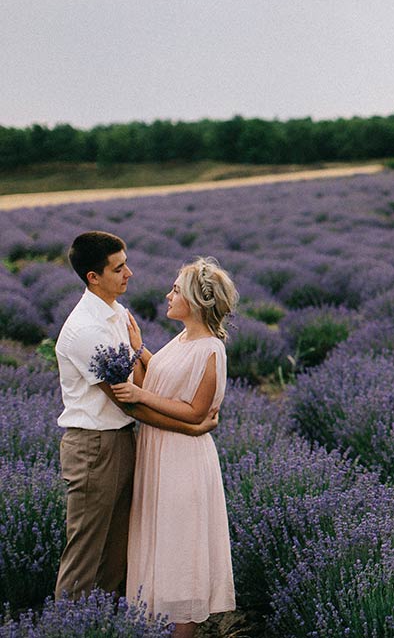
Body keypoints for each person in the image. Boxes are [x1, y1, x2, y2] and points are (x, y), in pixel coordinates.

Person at [54, 231, 218, 602]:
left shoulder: (116, 313)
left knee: (115, 555)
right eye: (118, 268)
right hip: (96, 447)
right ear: (92, 277)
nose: (129, 273)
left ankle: (103, 626)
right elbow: (128, 403)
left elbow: (140, 384)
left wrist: (141, 350)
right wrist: (193, 426)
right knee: (85, 557)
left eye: (126, 263)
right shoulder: (85, 330)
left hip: (122, 440)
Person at [110, 256, 238, 638]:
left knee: (181, 549)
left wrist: (139, 397)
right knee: (160, 542)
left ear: (197, 302)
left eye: (176, 291)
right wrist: (139, 350)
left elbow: (197, 411)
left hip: (183, 459)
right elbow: (165, 376)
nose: (168, 295)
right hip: (160, 452)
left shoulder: (211, 349)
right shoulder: (183, 338)